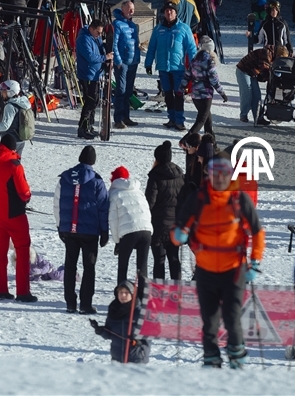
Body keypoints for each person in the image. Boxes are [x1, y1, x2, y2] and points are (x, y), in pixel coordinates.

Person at [174, 157, 265, 368]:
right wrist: (179, 234)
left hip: (233, 270)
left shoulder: (239, 199)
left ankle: (236, 356)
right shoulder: (198, 198)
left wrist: (255, 260)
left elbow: (257, 231)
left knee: (232, 317)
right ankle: (211, 360)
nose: (220, 178)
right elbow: (181, 225)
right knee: (210, 321)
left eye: (224, 174)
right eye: (216, 174)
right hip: (205, 270)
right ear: (210, 175)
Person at [0, 134, 38, 301]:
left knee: (0, 250)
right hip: (15, 214)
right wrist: (25, 198)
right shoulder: (14, 165)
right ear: (13, 148)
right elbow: (24, 193)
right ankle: (23, 292)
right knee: (22, 250)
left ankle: (0, 289)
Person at [55, 145, 110, 314]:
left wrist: (60, 226)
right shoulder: (97, 181)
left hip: (69, 230)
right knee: (89, 267)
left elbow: (57, 203)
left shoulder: (65, 178)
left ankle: (70, 303)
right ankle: (86, 304)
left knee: (70, 266)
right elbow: (103, 207)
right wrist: (104, 231)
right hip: (89, 232)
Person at [145, 2, 197, 131]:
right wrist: (148, 63)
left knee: (178, 94)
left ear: (176, 13)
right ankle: (171, 118)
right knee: (167, 94)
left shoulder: (184, 28)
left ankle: (179, 121)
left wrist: (194, 65)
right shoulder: (158, 29)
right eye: (167, 11)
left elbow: (191, 48)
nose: (169, 13)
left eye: (171, 11)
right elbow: (152, 47)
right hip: (163, 67)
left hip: (178, 68)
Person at [108, 166, 153, 286]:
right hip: (146, 230)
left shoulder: (114, 194)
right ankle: (142, 294)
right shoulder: (138, 191)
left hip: (129, 232)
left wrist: (117, 241)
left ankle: (121, 294)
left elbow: (113, 220)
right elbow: (147, 211)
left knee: (123, 266)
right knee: (142, 267)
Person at [145, 141, 184, 281]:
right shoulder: (180, 175)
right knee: (174, 259)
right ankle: (177, 289)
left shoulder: (155, 176)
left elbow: (150, 202)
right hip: (176, 224)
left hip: (159, 224)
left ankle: (159, 291)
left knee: (159, 260)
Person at [89, 281, 151, 363]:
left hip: (136, 357)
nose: (123, 295)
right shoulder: (113, 309)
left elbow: (149, 335)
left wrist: (139, 342)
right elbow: (109, 334)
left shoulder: (140, 312)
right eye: (120, 292)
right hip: (117, 357)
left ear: (132, 294)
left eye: (126, 293)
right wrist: (100, 330)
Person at [75, 19, 111, 139]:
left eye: (101, 33)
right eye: (98, 32)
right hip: (87, 74)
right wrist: (105, 57)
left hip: (95, 73)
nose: (99, 35)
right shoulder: (84, 39)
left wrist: (106, 48)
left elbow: (100, 48)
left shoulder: (95, 37)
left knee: (94, 101)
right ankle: (83, 128)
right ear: (91, 29)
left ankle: (89, 125)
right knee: (90, 101)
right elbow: (90, 57)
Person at [185, 37, 227, 136]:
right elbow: (214, 81)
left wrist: (181, 88)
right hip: (205, 95)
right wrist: (222, 93)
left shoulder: (194, 60)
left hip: (195, 94)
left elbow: (187, 75)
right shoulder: (209, 61)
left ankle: (211, 140)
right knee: (201, 120)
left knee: (207, 118)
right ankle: (186, 140)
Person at [111, 0, 141, 129]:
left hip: (133, 62)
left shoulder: (133, 25)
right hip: (123, 62)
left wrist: (137, 58)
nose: (131, 12)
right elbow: (114, 44)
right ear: (123, 10)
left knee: (128, 91)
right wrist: (118, 61)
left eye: (133, 9)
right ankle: (118, 119)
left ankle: (126, 116)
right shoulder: (117, 24)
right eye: (129, 9)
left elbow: (135, 43)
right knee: (121, 90)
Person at [235, 45, 274, 124]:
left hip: (252, 72)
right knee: (247, 92)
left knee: (257, 94)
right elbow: (264, 68)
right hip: (243, 70)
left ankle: (259, 117)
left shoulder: (272, 55)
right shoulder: (266, 53)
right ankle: (243, 115)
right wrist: (270, 79)